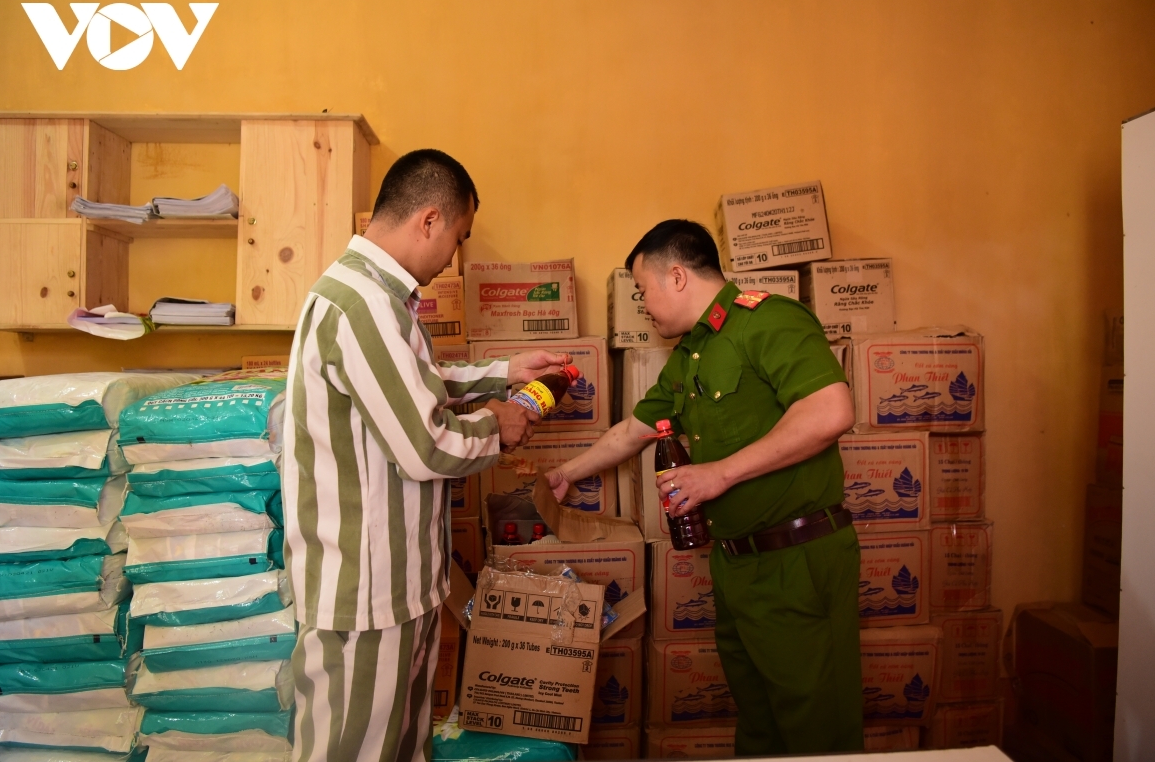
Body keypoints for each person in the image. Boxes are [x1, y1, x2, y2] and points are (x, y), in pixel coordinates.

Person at [282, 149, 569, 762]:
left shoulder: (379, 299)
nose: (453, 258)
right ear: (431, 220)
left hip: (397, 588)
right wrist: (501, 424)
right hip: (366, 597)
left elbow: (417, 385)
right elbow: (426, 445)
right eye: (459, 238)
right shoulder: (361, 305)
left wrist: (503, 373)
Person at [546, 219, 864, 755]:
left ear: (676, 275)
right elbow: (633, 431)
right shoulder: (695, 353)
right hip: (738, 566)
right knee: (761, 725)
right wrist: (565, 475)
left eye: (643, 289)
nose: (643, 304)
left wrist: (718, 474)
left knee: (817, 733)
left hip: (797, 562)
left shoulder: (768, 323)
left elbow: (831, 410)